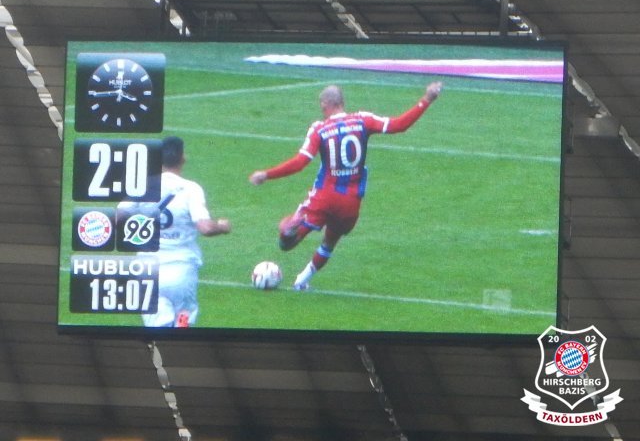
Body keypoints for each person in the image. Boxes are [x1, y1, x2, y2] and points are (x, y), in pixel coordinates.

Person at [249, 81, 442, 290]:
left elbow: (300, 162)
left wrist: (267, 174)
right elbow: (399, 125)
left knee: (286, 243)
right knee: (329, 242)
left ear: (325, 104)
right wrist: (427, 99)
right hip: (351, 201)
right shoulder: (363, 120)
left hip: (324, 197)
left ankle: (290, 232)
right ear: (342, 102)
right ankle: (301, 282)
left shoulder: (319, 129)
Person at [120, 136, 231, 327]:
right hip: (181, 272)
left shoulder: (143, 185)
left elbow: (118, 218)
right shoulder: (191, 189)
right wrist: (222, 226)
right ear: (183, 158)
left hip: (148, 271)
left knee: (157, 329)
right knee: (182, 329)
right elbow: (205, 228)